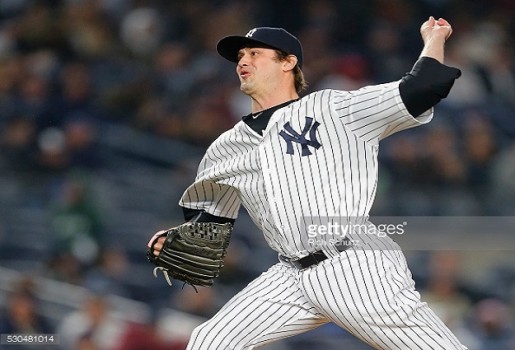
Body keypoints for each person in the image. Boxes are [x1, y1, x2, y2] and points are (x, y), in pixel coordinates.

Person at [148, 16, 467, 349]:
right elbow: (210, 229)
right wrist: (179, 244)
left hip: (353, 263)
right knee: (210, 340)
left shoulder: (332, 108)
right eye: (240, 56)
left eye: (256, 53)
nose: (243, 60)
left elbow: (422, 88)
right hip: (290, 275)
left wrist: (434, 38)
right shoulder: (226, 147)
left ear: (289, 62)